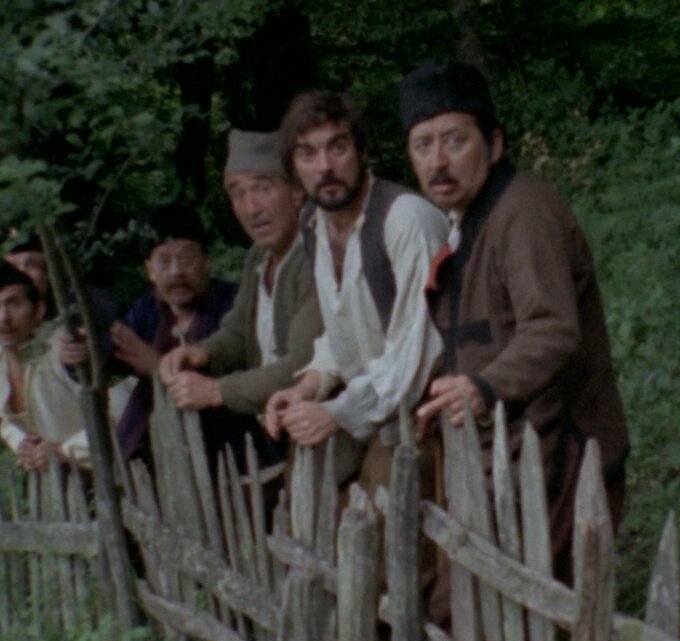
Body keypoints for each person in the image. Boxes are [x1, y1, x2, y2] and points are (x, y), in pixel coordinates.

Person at [399, 60, 630, 581]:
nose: (438, 161)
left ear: (495, 143)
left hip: (559, 459)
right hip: (503, 461)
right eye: (422, 145)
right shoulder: (469, 222)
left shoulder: (524, 213)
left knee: (487, 611)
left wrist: (484, 387)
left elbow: (552, 329)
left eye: (455, 141)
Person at [264, 90, 448, 499]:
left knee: (382, 515)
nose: (325, 167)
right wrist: (309, 385)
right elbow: (344, 328)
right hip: (366, 404)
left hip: (420, 413)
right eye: (308, 154)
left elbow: (418, 352)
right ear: (294, 170)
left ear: (362, 151)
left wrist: (336, 413)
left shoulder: (405, 220)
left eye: (338, 147)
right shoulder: (314, 224)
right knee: (305, 492)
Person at [159, 129, 322, 465]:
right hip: (276, 432)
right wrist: (202, 353)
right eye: (238, 193)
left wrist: (216, 391)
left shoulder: (316, 254)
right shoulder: (258, 257)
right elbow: (236, 332)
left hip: (321, 434)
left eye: (263, 188)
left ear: (296, 191)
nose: (251, 208)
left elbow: (302, 365)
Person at [65, 204, 248, 466]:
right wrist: (80, 353)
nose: (176, 271)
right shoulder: (148, 310)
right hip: (154, 455)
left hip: (227, 454)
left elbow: (241, 384)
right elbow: (106, 358)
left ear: (207, 262)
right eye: (163, 261)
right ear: (149, 270)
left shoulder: (235, 303)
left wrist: (158, 367)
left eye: (186, 258)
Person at [0, 262, 105, 470]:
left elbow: (119, 412)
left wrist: (65, 451)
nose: (4, 317)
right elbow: (4, 419)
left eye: (14, 303)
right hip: (57, 482)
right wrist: (22, 444)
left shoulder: (66, 347)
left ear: (38, 310)